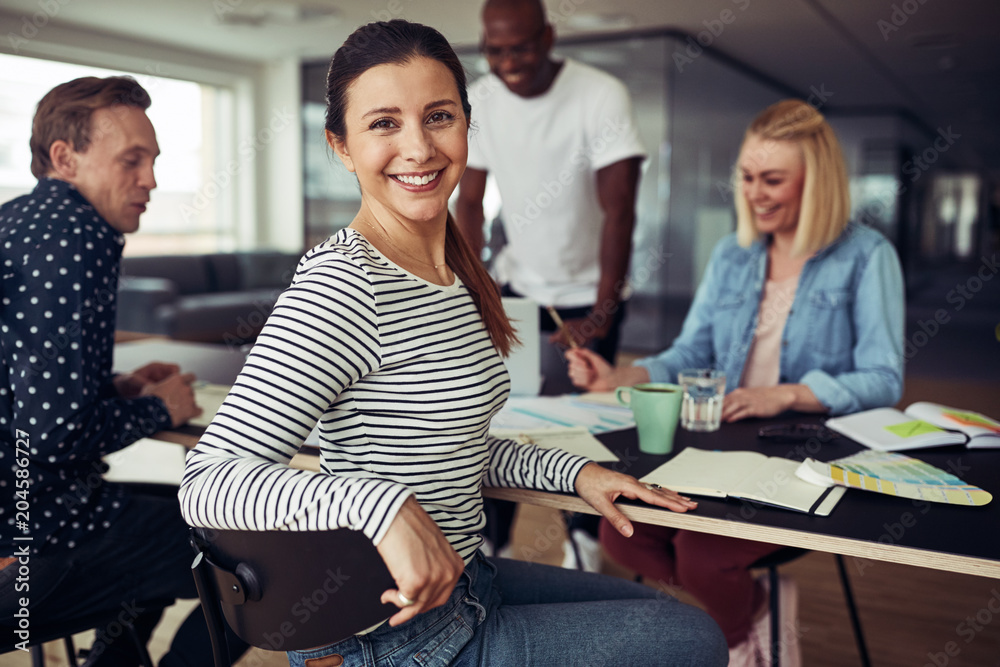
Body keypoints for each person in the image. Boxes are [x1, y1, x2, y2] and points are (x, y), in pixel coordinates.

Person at [178, 20, 727, 667]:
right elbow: (207, 480)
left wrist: (574, 472)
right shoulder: (345, 282)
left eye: (438, 116)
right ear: (342, 146)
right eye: (384, 123)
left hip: (466, 583)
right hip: (396, 634)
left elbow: (449, 445)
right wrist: (380, 504)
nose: (418, 147)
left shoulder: (457, 273)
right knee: (694, 641)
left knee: (671, 614)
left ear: (468, 126)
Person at [567, 99, 904, 666]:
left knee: (700, 557)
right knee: (625, 534)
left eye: (774, 179)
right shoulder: (733, 254)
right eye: (747, 177)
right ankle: (751, 610)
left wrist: (790, 393)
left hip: (806, 456)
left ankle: (730, 635)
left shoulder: (868, 257)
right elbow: (691, 353)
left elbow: (883, 378)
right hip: (719, 446)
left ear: (816, 182)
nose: (755, 193)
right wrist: (620, 375)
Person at [0, 76, 247, 667]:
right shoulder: (76, 238)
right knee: (255, 558)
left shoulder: (17, 221)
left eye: (154, 160)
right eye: (131, 160)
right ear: (65, 159)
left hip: (27, 512)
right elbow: (54, 433)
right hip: (39, 539)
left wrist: (116, 389)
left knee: (182, 523)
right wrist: (164, 408)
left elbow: (23, 389)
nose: (152, 180)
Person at [455, 0, 646, 568]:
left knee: (586, 421)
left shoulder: (599, 93)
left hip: (592, 289)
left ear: (549, 37)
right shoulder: (482, 100)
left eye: (520, 47)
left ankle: (585, 542)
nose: (507, 60)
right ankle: (494, 544)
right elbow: (468, 201)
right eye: (495, 49)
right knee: (500, 414)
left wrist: (605, 307)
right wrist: (478, 284)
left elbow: (621, 211)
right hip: (518, 288)